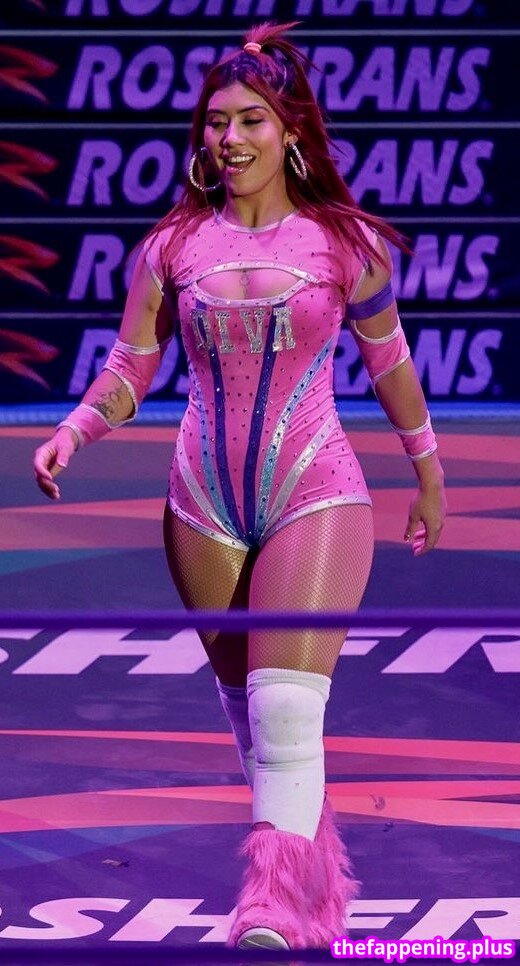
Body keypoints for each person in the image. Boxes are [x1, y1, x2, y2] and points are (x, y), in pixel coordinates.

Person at [33, 20, 447, 952]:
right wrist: (75, 428)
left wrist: (428, 472)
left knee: (286, 706)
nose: (230, 138)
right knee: (256, 722)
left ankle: (271, 906)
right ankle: (314, 883)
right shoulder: (169, 248)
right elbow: (131, 368)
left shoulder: (347, 245)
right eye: (216, 122)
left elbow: (389, 365)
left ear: (290, 130)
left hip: (317, 489)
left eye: (251, 120)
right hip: (201, 502)